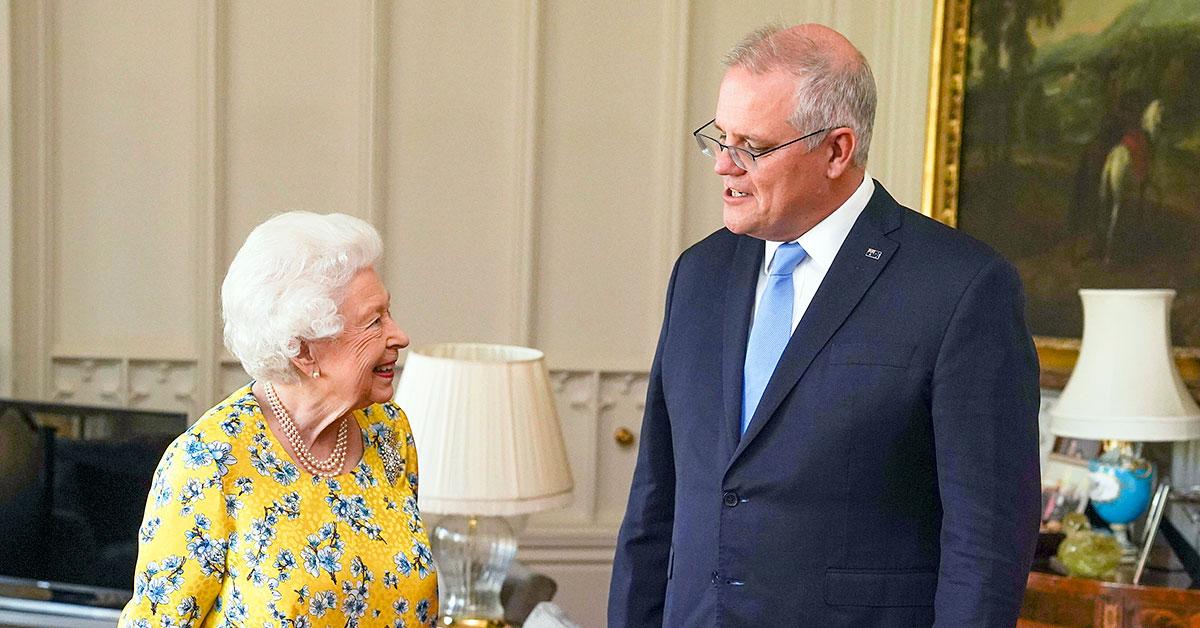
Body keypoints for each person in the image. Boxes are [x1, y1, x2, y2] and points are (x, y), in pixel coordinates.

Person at [609, 24, 1040, 627]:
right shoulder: (699, 274)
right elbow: (655, 500)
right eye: (719, 139)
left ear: (837, 150)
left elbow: (987, 544)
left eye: (751, 147)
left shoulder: (962, 287)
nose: (723, 166)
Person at [120, 212, 438, 627]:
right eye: (374, 321)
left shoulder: (389, 431)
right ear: (304, 350)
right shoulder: (209, 461)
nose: (399, 335)